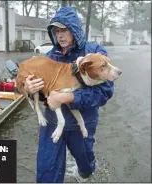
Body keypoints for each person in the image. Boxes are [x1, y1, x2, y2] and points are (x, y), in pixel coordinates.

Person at [23, 7, 114, 183]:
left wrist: (69, 98)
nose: (60, 35)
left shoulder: (94, 52)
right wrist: (29, 88)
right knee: (46, 173)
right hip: (52, 122)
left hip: (81, 124)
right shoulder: (49, 57)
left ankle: (85, 170)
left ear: (75, 29)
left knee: (86, 167)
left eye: (64, 30)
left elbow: (105, 91)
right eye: (56, 31)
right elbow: (44, 96)